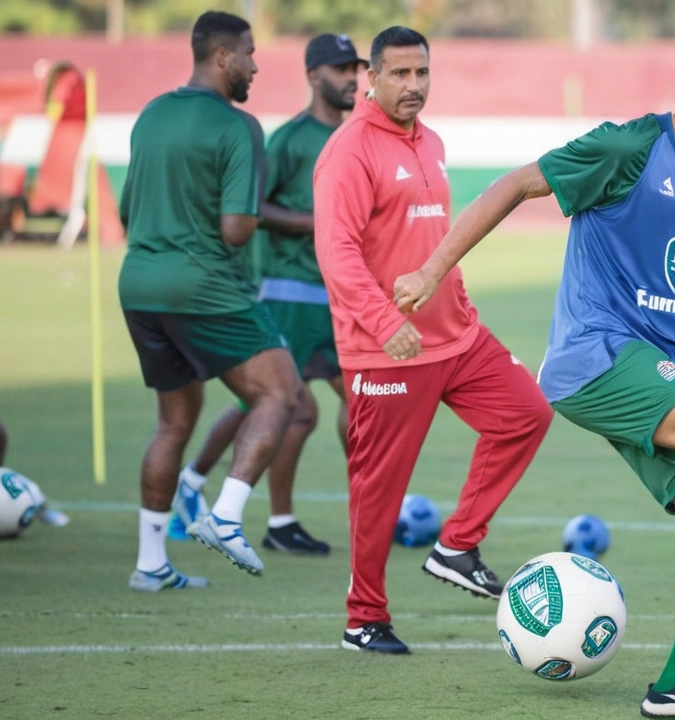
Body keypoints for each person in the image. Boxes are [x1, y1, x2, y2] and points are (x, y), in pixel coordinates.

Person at [395, 38, 675, 720]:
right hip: (595, 355)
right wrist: (432, 272)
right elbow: (516, 183)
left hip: (662, 375)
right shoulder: (629, 148)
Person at [313, 26, 553, 655]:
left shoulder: (433, 142)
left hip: (456, 339)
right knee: (378, 486)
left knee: (526, 412)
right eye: (399, 74)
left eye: (422, 73)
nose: (413, 86)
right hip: (386, 349)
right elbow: (336, 254)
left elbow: (437, 241)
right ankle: (364, 619)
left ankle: (457, 544)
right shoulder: (349, 150)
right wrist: (386, 323)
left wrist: (464, 310)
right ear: (371, 77)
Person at [118, 10, 300, 590]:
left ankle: (150, 565)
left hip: (139, 286)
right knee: (282, 392)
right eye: (249, 52)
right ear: (223, 57)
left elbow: (127, 210)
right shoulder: (237, 126)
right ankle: (225, 514)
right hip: (204, 287)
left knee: (174, 423)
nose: (254, 64)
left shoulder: (151, 115)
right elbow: (237, 229)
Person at [173, 33, 369, 556]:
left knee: (358, 402)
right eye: (339, 68)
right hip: (291, 291)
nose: (352, 77)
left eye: (356, 67)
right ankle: (190, 486)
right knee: (268, 403)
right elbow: (253, 209)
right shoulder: (290, 140)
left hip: (339, 295)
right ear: (313, 75)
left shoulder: (357, 137)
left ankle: (347, 515)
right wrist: (320, 223)